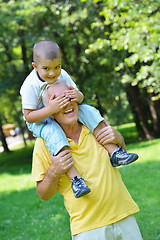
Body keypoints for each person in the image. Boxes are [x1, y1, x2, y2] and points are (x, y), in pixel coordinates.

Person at [20, 40, 138, 198]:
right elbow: (28, 116)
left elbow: (80, 96)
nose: (52, 73)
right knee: (54, 134)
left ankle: (115, 152)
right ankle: (76, 179)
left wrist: (78, 96)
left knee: (89, 110)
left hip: (59, 109)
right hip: (40, 120)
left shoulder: (62, 75)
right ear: (35, 67)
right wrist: (50, 110)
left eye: (57, 67)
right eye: (46, 68)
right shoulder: (29, 86)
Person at [32, 82, 143, 240]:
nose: (67, 103)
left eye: (69, 96)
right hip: (88, 229)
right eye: (59, 100)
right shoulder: (44, 144)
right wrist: (53, 171)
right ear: (50, 112)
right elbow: (43, 194)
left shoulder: (95, 125)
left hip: (124, 215)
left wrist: (120, 139)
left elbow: (119, 157)